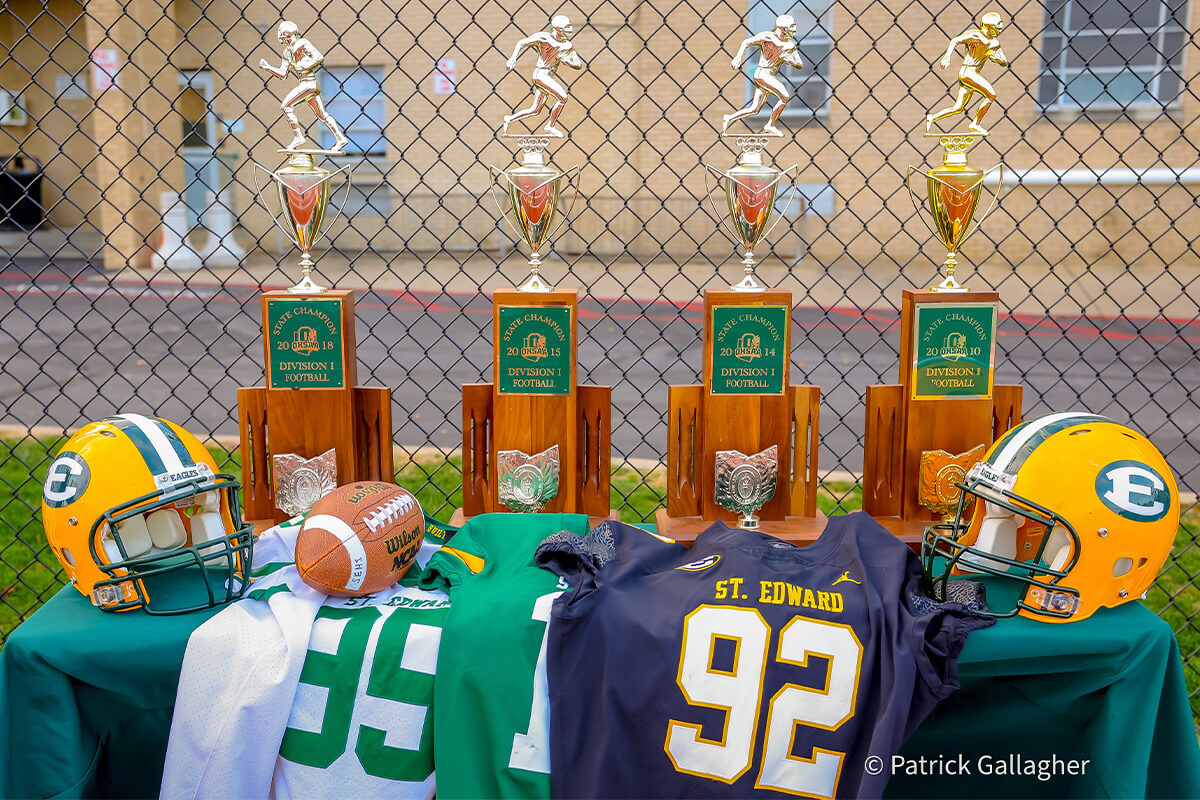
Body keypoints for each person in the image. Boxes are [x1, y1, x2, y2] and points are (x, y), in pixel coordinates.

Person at [258, 21, 350, 152]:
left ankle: (298, 136)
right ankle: (340, 138)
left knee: (286, 106)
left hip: (309, 83)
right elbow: (283, 74)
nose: (279, 35)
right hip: (307, 85)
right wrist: (268, 68)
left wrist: (305, 65)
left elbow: (318, 57)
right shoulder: (287, 52)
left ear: (286, 33)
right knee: (322, 115)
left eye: (280, 32)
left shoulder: (302, 43)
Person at [925, 12, 1009, 135]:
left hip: (972, 74)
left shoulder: (994, 43)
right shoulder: (976, 35)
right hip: (968, 72)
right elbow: (955, 41)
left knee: (958, 108)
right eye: (998, 27)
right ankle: (975, 124)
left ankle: (932, 118)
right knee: (991, 95)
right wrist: (947, 57)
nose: (999, 30)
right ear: (990, 26)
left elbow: (1004, 61)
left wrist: (998, 59)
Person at [502, 15, 584, 137]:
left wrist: (567, 61)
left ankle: (509, 119)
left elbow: (578, 65)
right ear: (558, 29)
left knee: (535, 110)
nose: (570, 30)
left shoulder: (567, 45)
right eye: (567, 27)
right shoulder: (544, 38)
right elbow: (522, 42)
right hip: (541, 74)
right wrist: (513, 58)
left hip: (549, 77)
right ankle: (550, 126)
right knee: (562, 97)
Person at [722, 15, 803, 136]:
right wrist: (738, 58)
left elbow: (799, 64)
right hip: (762, 73)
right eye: (791, 27)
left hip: (768, 76)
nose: (794, 30)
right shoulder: (768, 37)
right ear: (783, 28)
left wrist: (788, 60)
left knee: (754, 109)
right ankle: (770, 125)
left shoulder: (790, 45)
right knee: (785, 97)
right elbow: (746, 42)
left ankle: (728, 118)